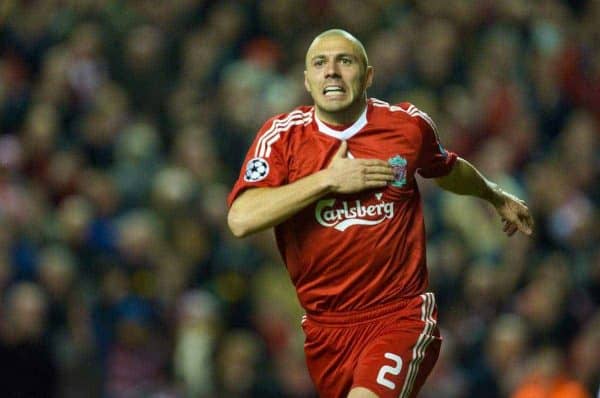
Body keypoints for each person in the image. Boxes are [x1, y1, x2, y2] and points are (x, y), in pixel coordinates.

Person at [227, 29, 533, 398]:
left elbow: (447, 168)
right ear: (307, 80)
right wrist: (327, 181)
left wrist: (493, 194)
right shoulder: (281, 138)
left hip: (398, 315)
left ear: (368, 75)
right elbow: (241, 218)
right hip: (326, 330)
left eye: (345, 61)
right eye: (320, 63)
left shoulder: (407, 126)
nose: (332, 72)